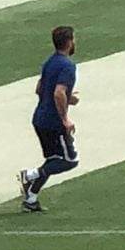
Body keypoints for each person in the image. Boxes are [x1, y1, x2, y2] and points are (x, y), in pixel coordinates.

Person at [17, 26, 81, 213]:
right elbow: (58, 92)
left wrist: (69, 98)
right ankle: (29, 175)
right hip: (54, 122)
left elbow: (40, 89)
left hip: (40, 118)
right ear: (69, 42)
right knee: (69, 160)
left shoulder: (49, 62)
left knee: (52, 160)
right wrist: (65, 119)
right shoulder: (68, 66)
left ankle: (31, 199)